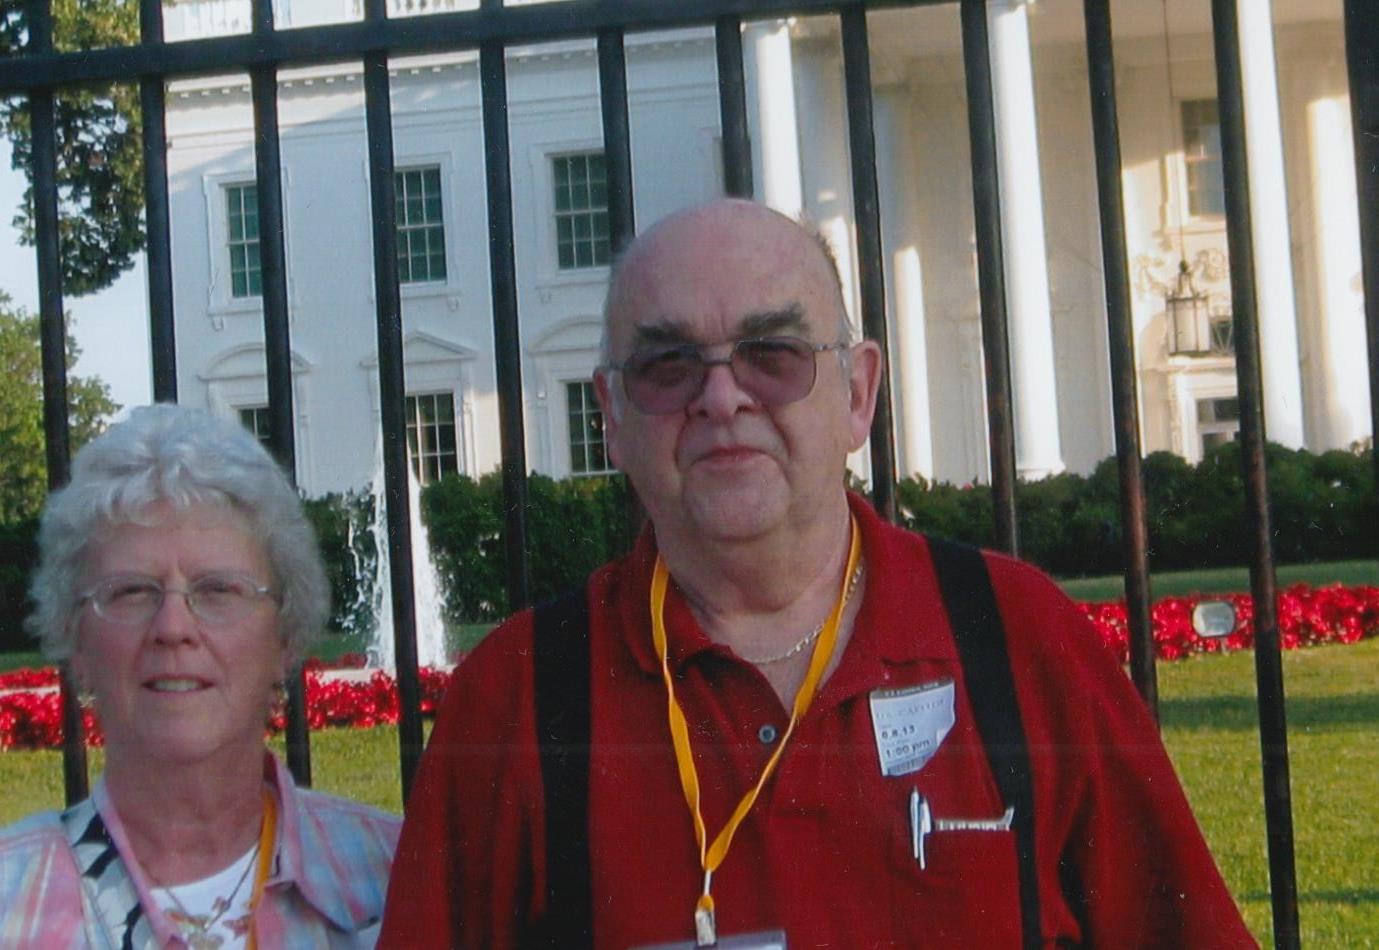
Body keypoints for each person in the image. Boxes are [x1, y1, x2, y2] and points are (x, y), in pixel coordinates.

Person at [380, 199, 1255, 947]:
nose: (721, 398)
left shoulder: (1016, 635)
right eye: (666, 365)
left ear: (858, 393)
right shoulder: (517, 695)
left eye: (772, 353)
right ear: (610, 414)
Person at [0, 404, 400, 948]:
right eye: (131, 591)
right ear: (76, 643)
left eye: (218, 590)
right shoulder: (12, 896)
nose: (173, 627)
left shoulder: (394, 876)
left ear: (285, 637)